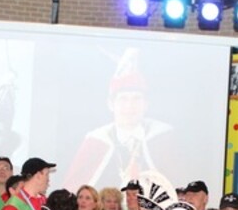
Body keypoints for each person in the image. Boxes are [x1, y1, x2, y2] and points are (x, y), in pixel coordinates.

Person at [65, 48, 176, 189]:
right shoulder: (95, 143)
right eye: (123, 99)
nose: (130, 106)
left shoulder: (162, 139)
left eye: (137, 99)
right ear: (111, 104)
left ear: (146, 105)